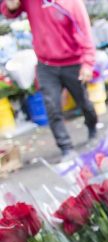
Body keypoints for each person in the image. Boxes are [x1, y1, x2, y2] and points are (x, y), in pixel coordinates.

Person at [0, 0, 98, 161]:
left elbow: (84, 32)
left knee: (84, 102)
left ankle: (92, 128)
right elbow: (10, 11)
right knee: (52, 107)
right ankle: (66, 147)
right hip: (46, 64)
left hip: (72, 62)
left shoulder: (71, 3)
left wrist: (87, 63)